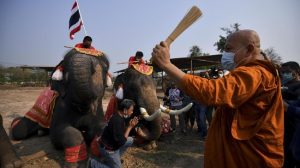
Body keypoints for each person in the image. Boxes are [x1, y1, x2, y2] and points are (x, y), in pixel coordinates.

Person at [152, 29, 284, 167]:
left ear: (249, 49)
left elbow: (211, 91)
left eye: (229, 49)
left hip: (249, 159)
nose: (225, 54)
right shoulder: (253, 72)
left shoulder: (255, 73)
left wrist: (166, 65)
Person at [89, 99, 139, 168]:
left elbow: (121, 133)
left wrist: (130, 126)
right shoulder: (117, 121)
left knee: (130, 140)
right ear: (125, 110)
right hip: (109, 150)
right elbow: (122, 141)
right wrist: (130, 127)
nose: (132, 112)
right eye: (131, 110)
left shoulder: (118, 115)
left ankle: (115, 159)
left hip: (110, 143)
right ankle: (93, 163)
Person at [280, 61, 300, 168]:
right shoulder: (281, 85)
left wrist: (287, 106)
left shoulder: (298, 86)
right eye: (282, 72)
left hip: (292, 130)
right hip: (282, 129)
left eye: (287, 72)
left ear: (296, 72)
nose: (284, 75)